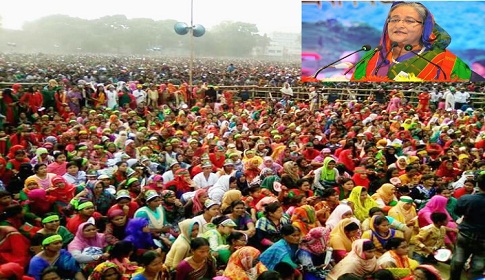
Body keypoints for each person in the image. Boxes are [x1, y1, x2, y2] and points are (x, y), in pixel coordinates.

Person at [351, 2, 477, 81]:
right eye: (394, 20)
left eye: (409, 21)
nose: (399, 25)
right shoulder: (371, 57)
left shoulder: (444, 62)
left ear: (424, 28)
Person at [450, 172, 485, 280]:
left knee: (458, 260)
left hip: (465, 234)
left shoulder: (466, 199)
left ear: (478, 184)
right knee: (478, 265)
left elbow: (458, 211)